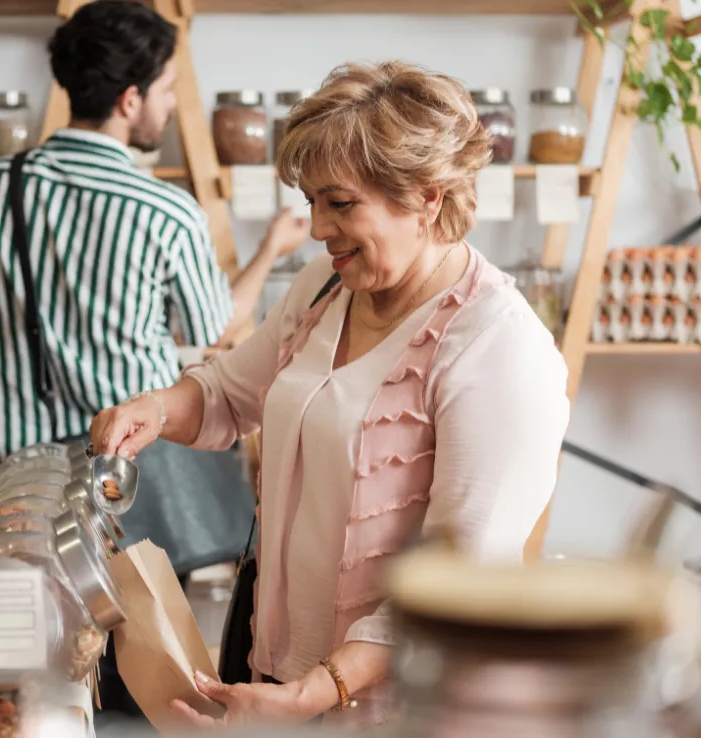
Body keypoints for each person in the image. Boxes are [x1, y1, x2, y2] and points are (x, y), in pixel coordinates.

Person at [90, 61, 571, 728]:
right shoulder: (326, 286)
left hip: (391, 706)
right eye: (313, 201)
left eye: (340, 203)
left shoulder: (496, 346)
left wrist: (319, 691)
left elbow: (462, 579)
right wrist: (157, 408)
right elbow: (229, 395)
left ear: (427, 196)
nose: (317, 227)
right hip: (277, 678)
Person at [0, 0, 307, 722]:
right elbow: (215, 327)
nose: (168, 104)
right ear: (131, 98)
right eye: (167, 89)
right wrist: (272, 251)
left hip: (19, 486)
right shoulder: (162, 210)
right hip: (131, 487)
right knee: (137, 688)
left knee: (29, 690)